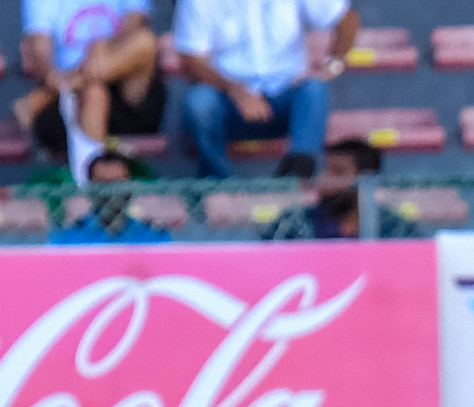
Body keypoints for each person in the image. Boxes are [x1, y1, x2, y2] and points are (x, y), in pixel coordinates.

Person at [174, 0, 360, 179]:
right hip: (227, 102)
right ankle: (216, 183)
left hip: (285, 97)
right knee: (200, 102)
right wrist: (237, 92)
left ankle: (297, 174)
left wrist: (333, 64)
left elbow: (346, 19)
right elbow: (191, 60)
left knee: (314, 89)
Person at [14, 0, 165, 174]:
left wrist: (100, 47)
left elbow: (136, 21)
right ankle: (96, 184)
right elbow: (40, 48)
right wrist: (57, 75)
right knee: (94, 91)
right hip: (66, 103)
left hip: (125, 91)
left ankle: (44, 96)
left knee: (144, 42)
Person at [259, 137, 417, 240]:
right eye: (324, 170)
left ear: (366, 180)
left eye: (337, 172)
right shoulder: (290, 224)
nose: (324, 179)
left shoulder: (395, 229)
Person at [49, 148, 171, 244]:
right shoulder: (68, 238)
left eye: (118, 183)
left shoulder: (153, 236)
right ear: (90, 189)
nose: (112, 191)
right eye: (104, 184)